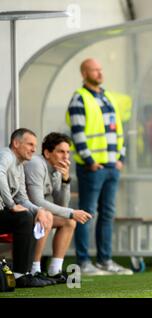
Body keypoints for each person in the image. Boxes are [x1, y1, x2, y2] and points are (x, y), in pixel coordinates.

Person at [66, 58, 133, 276]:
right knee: (87, 213)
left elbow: (119, 130)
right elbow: (77, 133)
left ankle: (105, 261)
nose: (99, 73)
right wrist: (89, 161)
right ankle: (84, 262)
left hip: (113, 165)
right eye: (95, 69)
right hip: (92, 168)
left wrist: (120, 157)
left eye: (100, 69)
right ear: (84, 73)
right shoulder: (79, 98)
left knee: (107, 214)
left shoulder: (108, 97)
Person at [24, 132, 92, 283]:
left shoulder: (56, 170)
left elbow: (62, 204)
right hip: (19, 211)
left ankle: (55, 270)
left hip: (33, 213)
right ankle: (33, 270)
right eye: (61, 151)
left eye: (68, 152)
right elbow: (37, 201)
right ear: (47, 153)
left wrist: (66, 180)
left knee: (69, 222)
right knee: (46, 216)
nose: (66, 157)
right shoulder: (36, 164)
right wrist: (72, 212)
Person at [0, 128, 53, 288]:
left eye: (35, 145)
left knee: (28, 215)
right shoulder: (6, 154)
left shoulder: (20, 165)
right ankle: (21, 275)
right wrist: (11, 205)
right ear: (16, 143)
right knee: (23, 218)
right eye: (30, 144)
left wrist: (39, 210)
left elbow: (22, 198)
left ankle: (25, 274)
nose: (34, 149)